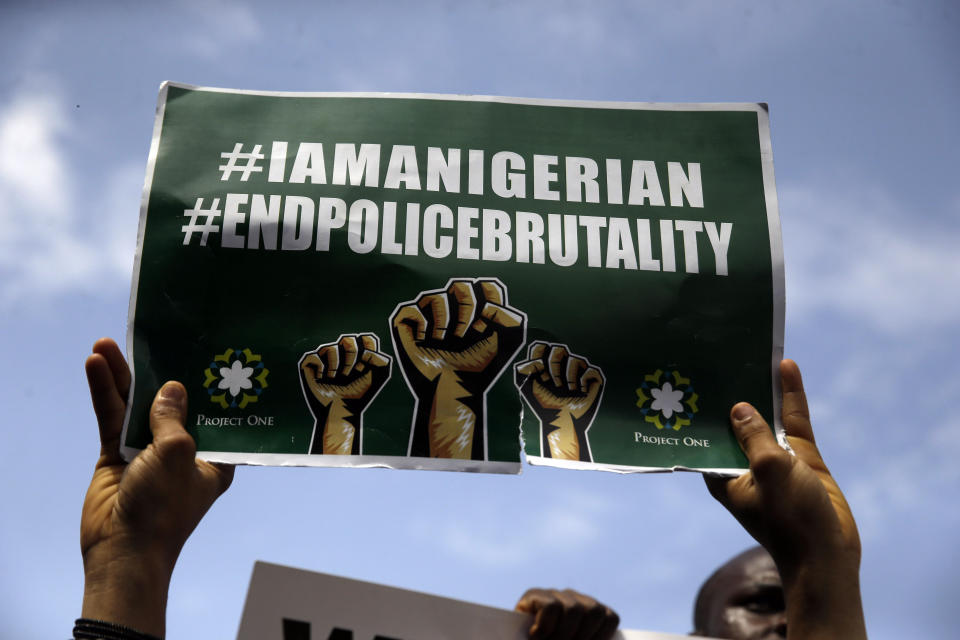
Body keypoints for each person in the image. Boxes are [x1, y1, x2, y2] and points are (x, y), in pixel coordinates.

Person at [77, 340, 865, 640]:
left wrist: (819, 563)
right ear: (695, 633)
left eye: (794, 602)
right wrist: (129, 562)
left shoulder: (818, 589)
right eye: (765, 604)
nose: (793, 619)